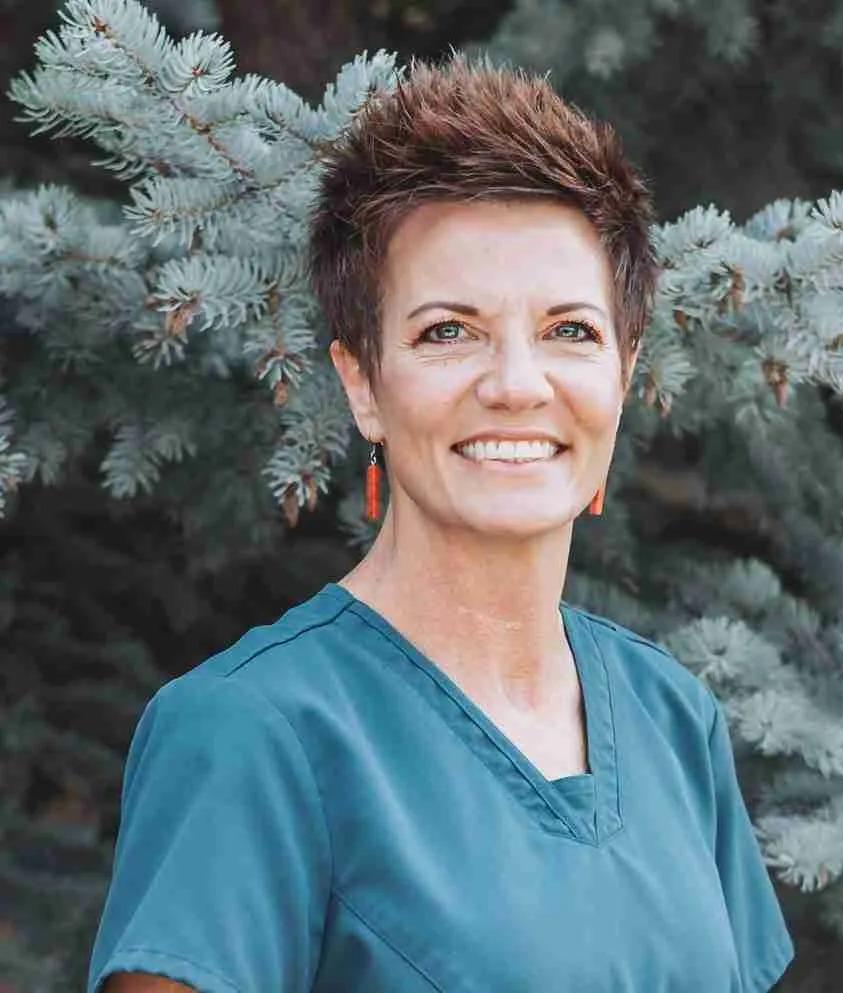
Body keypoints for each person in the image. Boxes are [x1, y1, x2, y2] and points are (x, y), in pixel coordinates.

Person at [87, 51, 795, 993]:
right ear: (362, 384)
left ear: (623, 376)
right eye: (447, 331)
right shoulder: (249, 732)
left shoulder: (672, 715)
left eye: (570, 331)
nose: (515, 385)